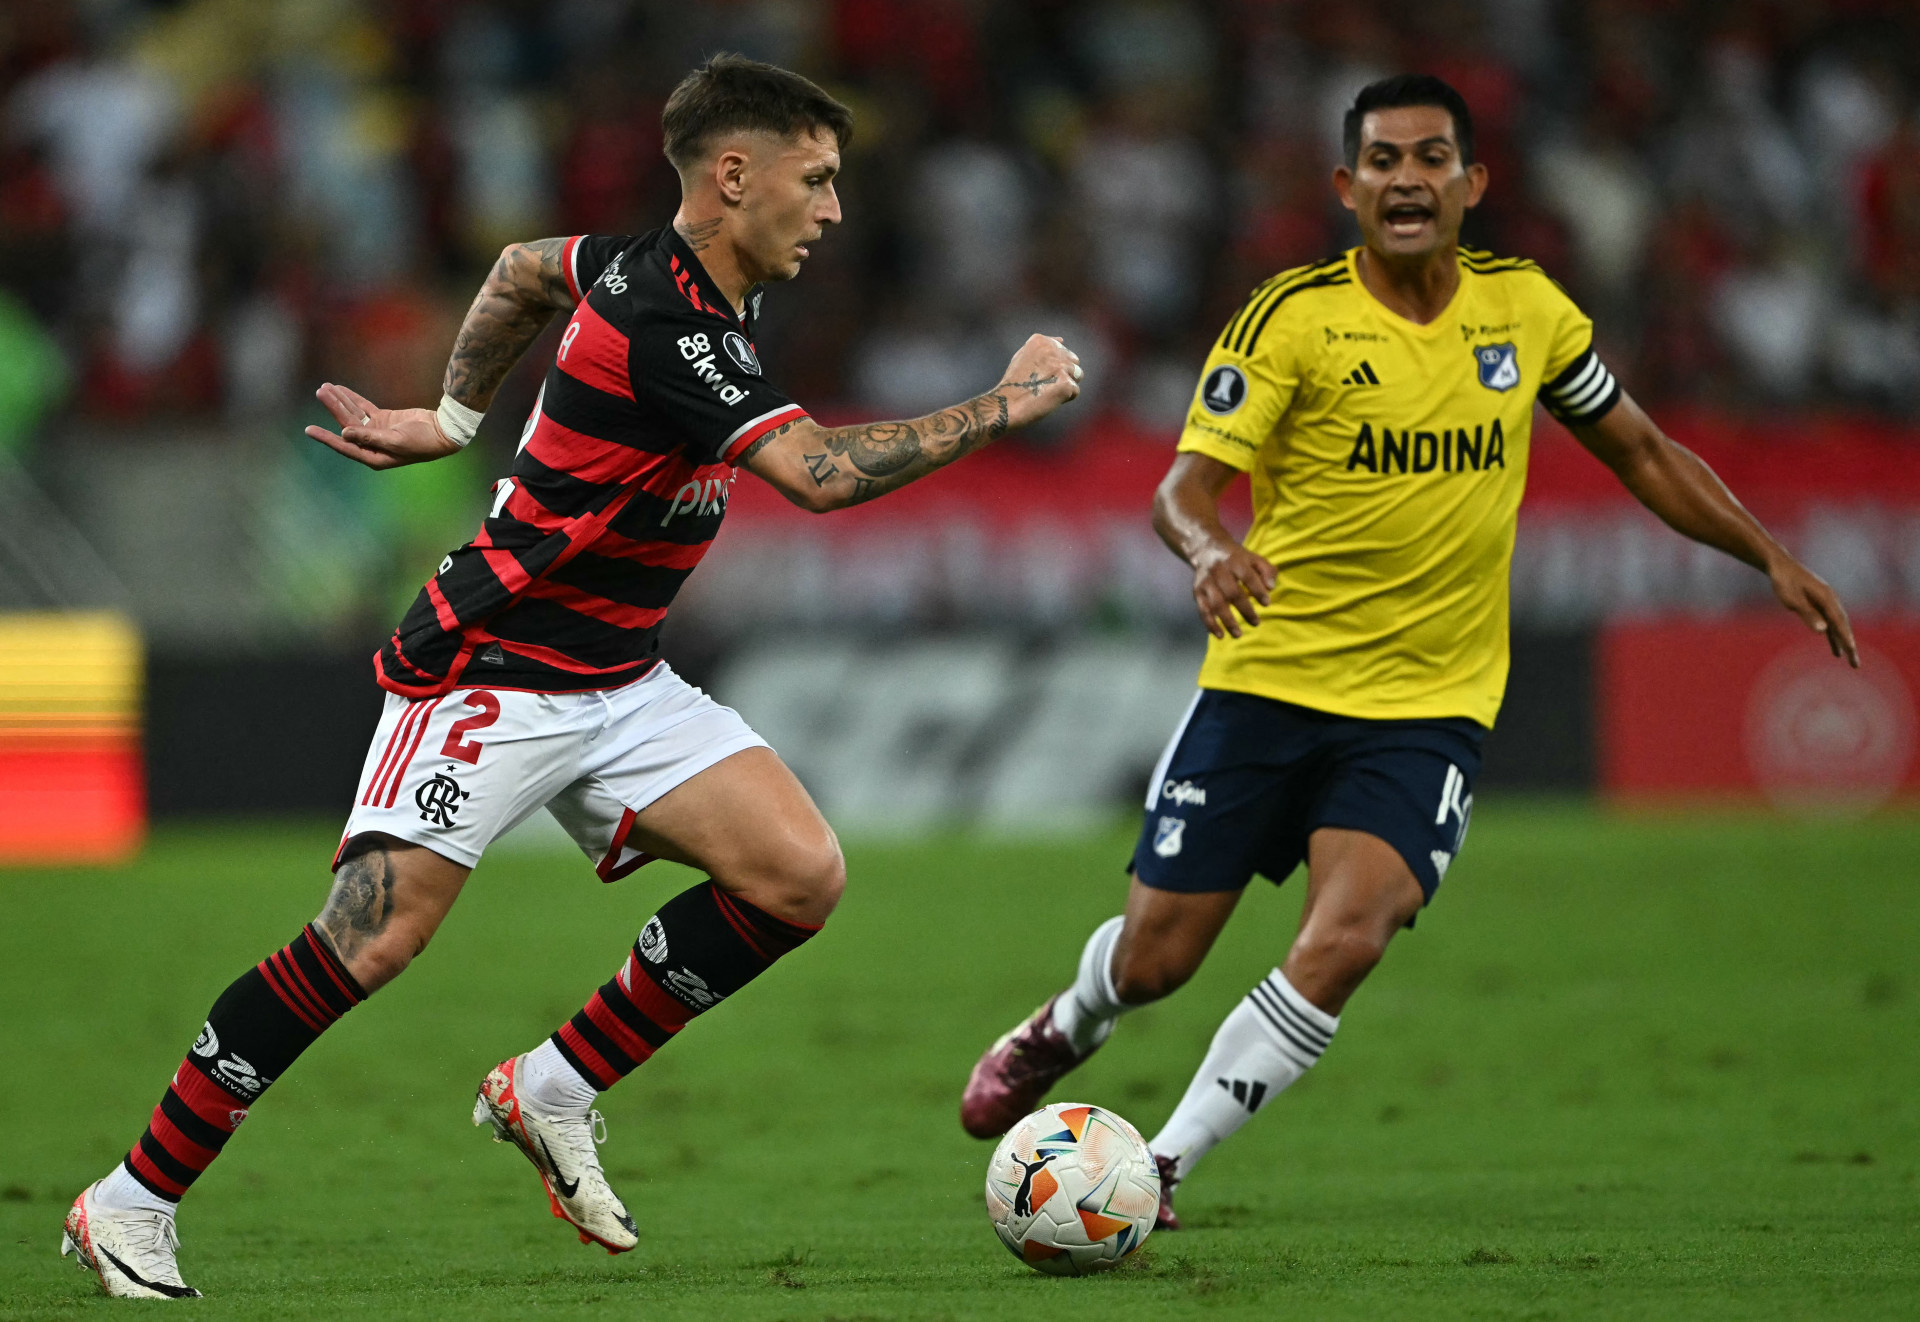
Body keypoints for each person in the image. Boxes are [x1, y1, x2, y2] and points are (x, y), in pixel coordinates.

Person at [60, 54, 1081, 1300]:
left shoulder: (658, 271)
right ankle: (131, 1197)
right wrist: (1003, 403)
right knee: (370, 939)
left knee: (798, 874)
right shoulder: (676, 320)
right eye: (814, 183)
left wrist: (450, 414)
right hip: (492, 664)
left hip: (617, 675)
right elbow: (818, 474)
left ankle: (553, 1085)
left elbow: (520, 269)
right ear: (733, 175)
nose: (834, 212)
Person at [958, 73, 1855, 1229]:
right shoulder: (1293, 319)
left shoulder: (1527, 311)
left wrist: (1768, 552)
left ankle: (1159, 1167)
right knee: (1159, 958)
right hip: (1268, 682)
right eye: (1382, 161)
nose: (1407, 180)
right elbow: (1182, 490)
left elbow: (1640, 448)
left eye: (1431, 158)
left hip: (1430, 705)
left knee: (1351, 931)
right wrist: (1205, 552)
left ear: (1472, 182)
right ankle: (1068, 1021)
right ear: (1347, 187)